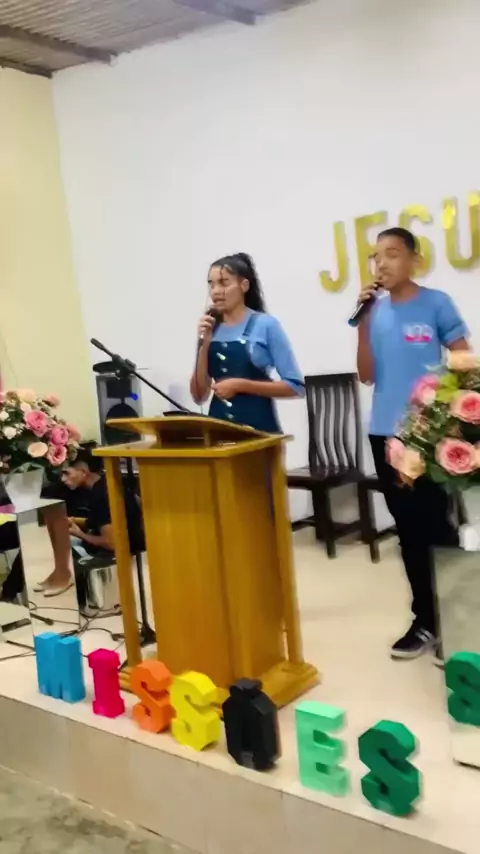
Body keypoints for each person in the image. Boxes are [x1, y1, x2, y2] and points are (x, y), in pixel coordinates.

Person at [357, 226, 469, 660]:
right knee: (407, 530)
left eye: (392, 253)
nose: (382, 263)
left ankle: (458, 617)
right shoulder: (375, 311)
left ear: (414, 260)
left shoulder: (436, 303)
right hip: (386, 434)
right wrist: (363, 323)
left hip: (429, 434)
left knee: (438, 526)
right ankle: (425, 621)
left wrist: (458, 419)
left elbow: (463, 362)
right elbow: (367, 374)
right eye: (376, 256)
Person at [190, 253, 304, 432]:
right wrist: (204, 344)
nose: (215, 291)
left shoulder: (266, 325)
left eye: (223, 283)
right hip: (218, 434)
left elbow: (296, 387)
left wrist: (241, 385)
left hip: (260, 433)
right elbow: (199, 396)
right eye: (211, 284)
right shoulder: (211, 328)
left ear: (244, 286)